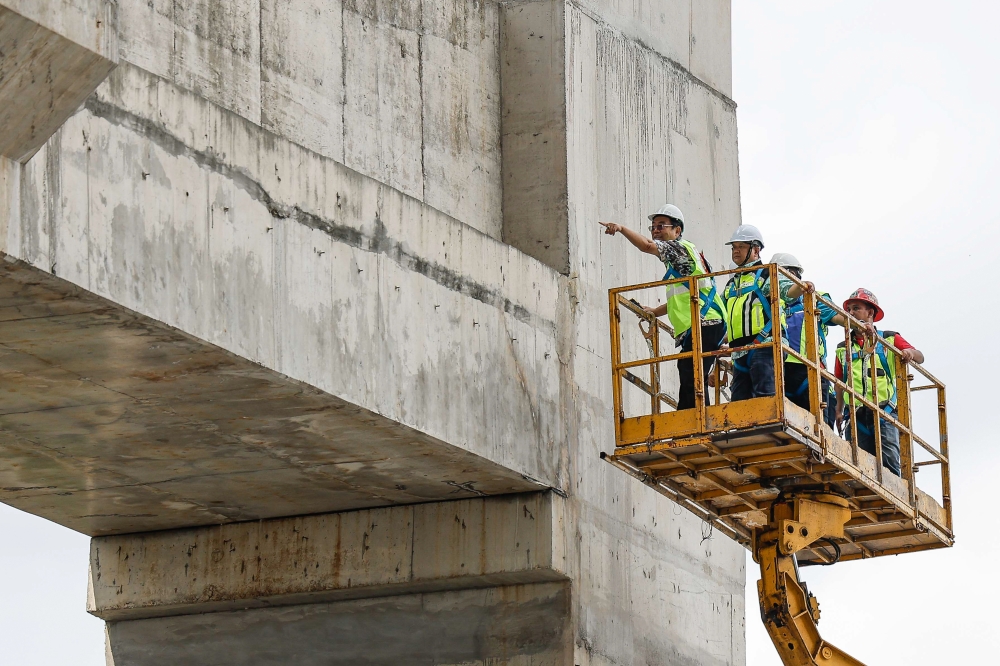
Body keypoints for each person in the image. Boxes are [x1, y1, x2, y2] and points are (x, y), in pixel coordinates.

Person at [599, 204, 726, 410]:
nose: (656, 230)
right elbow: (689, 294)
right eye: (653, 227)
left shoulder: (677, 247)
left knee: (690, 372)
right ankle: (702, 422)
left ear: (677, 230)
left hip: (704, 322)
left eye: (662, 226)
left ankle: (693, 424)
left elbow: (647, 246)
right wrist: (656, 312)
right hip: (707, 322)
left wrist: (621, 228)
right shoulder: (687, 255)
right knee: (694, 374)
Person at [834, 288, 924, 477]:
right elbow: (839, 382)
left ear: (870, 313)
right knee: (856, 468)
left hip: (884, 413)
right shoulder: (843, 348)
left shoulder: (889, 339)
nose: (850, 313)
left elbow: (920, 356)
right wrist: (839, 410)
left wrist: (908, 353)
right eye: (848, 310)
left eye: (856, 308)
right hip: (857, 415)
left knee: (889, 468)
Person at [770, 252, 846, 426]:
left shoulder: (813, 297)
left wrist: (858, 325)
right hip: (780, 371)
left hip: (810, 372)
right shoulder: (773, 301)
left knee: (818, 431)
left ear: (794, 274)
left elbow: (834, 316)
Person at [722, 225, 791, 401]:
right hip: (739, 351)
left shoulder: (766, 274)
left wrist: (803, 287)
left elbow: (787, 290)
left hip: (765, 344)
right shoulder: (732, 283)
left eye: (741, 247)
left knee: (766, 400)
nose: (736, 252)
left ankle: (769, 429)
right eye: (734, 248)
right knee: (739, 405)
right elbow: (722, 314)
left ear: (756, 250)